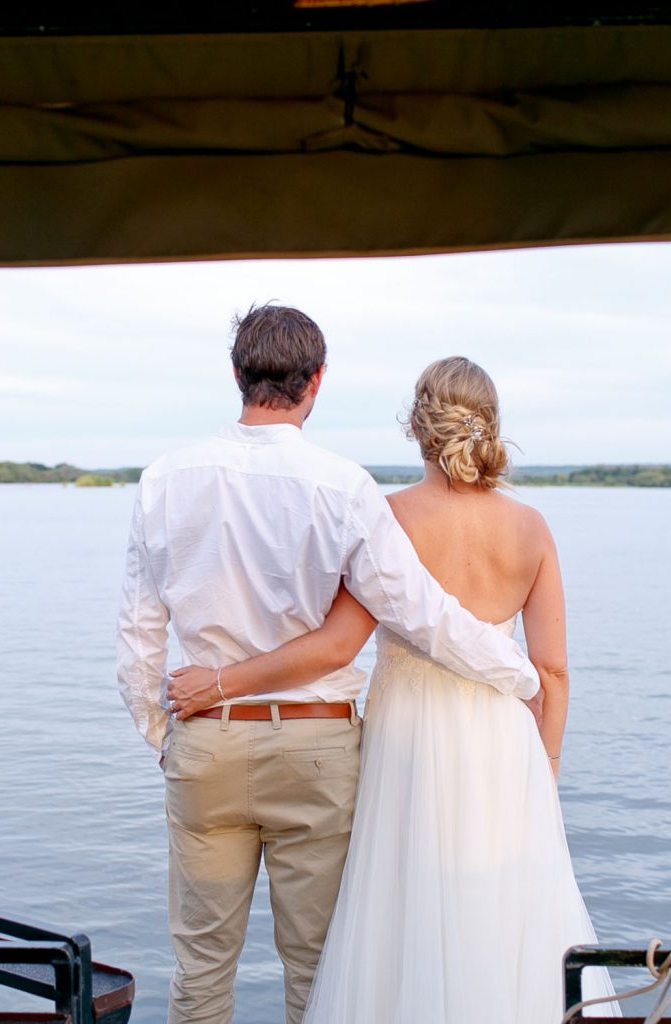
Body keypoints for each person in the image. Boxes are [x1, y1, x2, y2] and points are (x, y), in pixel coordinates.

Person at [116, 306, 541, 1024]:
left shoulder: (164, 479)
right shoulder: (345, 487)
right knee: (318, 972)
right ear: (316, 381)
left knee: (199, 975)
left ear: (236, 375)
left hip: (207, 740)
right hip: (315, 749)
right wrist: (519, 673)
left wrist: (164, 734)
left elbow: (137, 635)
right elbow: (421, 612)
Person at [169, 356, 619, 1022]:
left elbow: (336, 644)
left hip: (407, 737)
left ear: (416, 425)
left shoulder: (388, 517)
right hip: (503, 741)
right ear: (489, 426)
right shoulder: (531, 529)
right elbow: (551, 671)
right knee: (501, 907)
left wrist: (219, 682)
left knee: (401, 907)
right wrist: (545, 766)